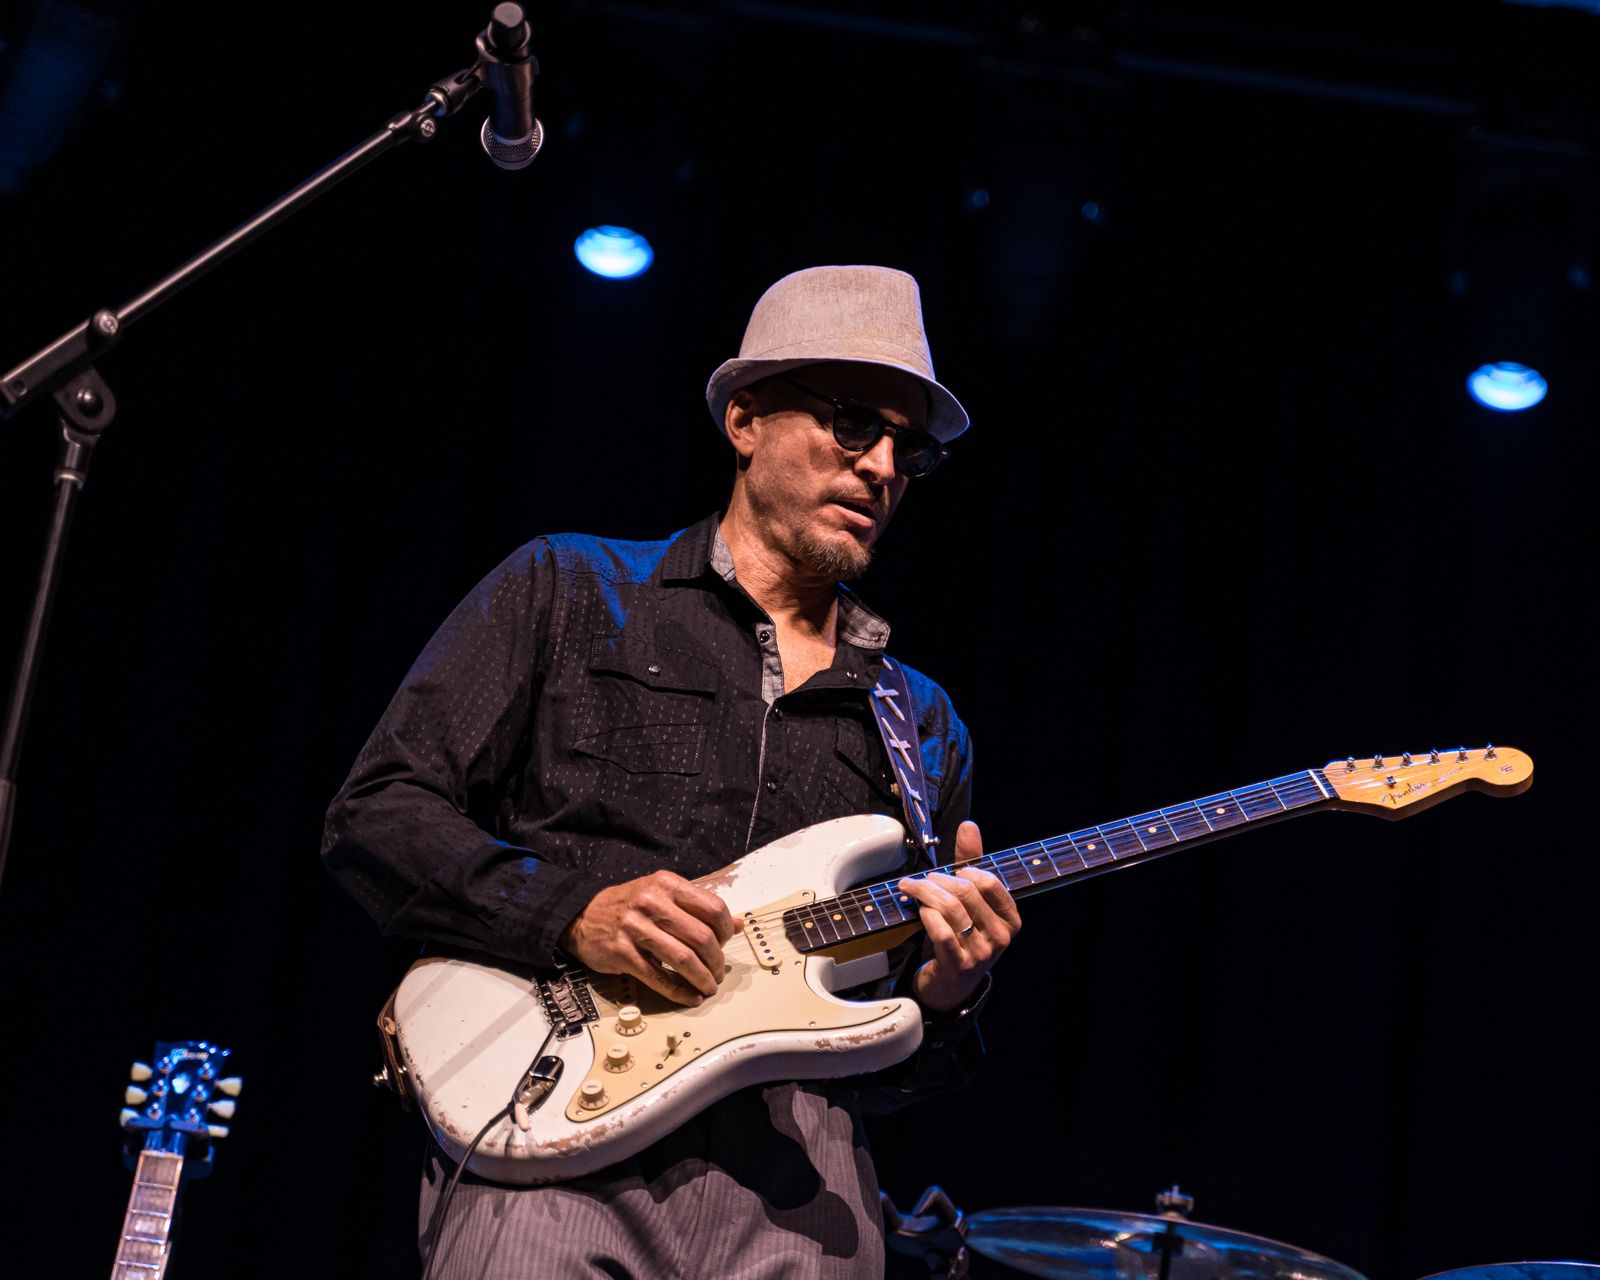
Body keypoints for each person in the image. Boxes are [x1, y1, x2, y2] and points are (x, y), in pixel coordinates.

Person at [322, 264, 1022, 1279]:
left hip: (799, 1188)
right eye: (851, 425)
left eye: (907, 449)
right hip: (550, 1133)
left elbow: (893, 1065)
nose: (880, 467)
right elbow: (377, 813)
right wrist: (571, 910)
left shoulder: (921, 720)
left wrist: (950, 991)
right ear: (745, 420)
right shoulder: (571, 587)